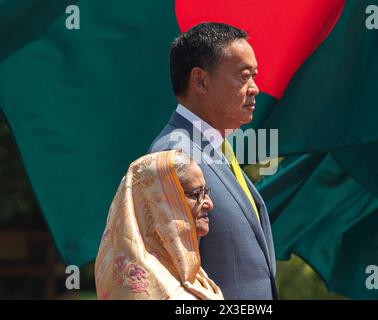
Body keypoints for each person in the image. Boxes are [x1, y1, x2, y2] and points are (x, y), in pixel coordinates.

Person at [149, 22, 277, 299]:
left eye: (254, 75)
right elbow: (168, 280)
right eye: (244, 76)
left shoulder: (210, 148)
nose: (254, 88)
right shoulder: (174, 155)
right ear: (201, 81)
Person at [94, 150, 224, 300]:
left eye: (205, 191)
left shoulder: (184, 271)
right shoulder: (145, 287)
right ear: (159, 205)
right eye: (196, 194)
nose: (209, 204)